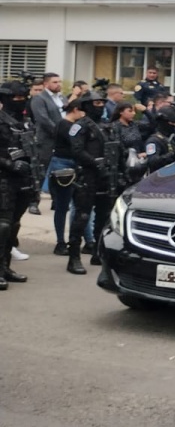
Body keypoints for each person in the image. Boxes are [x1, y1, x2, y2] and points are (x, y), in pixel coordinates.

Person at [65, 91, 112, 275]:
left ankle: (98, 253)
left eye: (102, 103)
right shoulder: (80, 126)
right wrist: (95, 163)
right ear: (86, 105)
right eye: (96, 103)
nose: (100, 106)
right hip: (87, 175)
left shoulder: (106, 125)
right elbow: (76, 150)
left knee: (103, 216)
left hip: (105, 176)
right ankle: (74, 257)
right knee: (82, 216)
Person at [0, 81, 36, 290]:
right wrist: (11, 164)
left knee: (14, 225)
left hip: (24, 179)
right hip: (4, 178)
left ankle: (6, 267)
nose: (20, 101)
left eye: (23, 98)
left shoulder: (25, 122)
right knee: (3, 225)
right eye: (16, 98)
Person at [45, 98, 87, 256]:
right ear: (75, 109)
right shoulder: (64, 125)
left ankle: (82, 240)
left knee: (78, 205)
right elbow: (75, 143)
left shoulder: (70, 124)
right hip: (63, 164)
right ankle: (60, 242)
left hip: (72, 163)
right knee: (62, 206)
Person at [141, 104, 175, 176]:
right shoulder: (153, 141)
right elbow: (153, 162)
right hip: (159, 177)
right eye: (172, 123)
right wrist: (172, 154)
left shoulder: (172, 138)